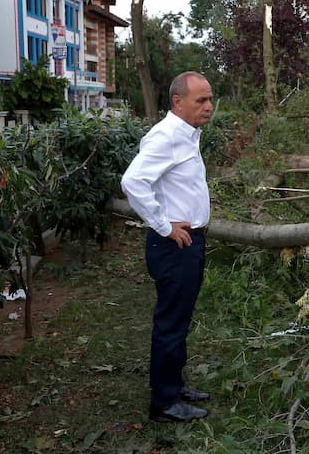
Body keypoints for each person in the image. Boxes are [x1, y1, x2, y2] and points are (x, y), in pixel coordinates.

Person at [121, 71, 214, 423]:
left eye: (209, 98)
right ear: (178, 102)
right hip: (175, 246)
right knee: (171, 323)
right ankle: (164, 404)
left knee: (180, 318)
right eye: (200, 100)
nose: (209, 106)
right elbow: (133, 182)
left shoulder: (187, 135)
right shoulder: (166, 136)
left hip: (189, 242)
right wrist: (164, 225)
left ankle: (173, 386)